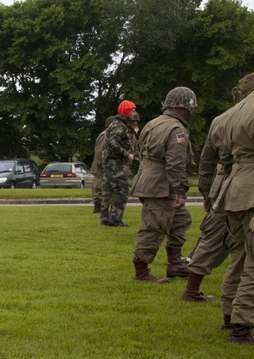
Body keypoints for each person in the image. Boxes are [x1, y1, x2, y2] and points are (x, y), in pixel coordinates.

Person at [183, 74, 254, 307]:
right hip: (239, 184)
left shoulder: (225, 117)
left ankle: (204, 294)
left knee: (230, 247)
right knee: (221, 242)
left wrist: (206, 191)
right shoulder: (236, 116)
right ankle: (195, 290)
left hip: (227, 185)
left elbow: (210, 158)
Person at [129, 87, 196, 282]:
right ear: (185, 108)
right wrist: (180, 191)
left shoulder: (152, 124)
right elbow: (175, 164)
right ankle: (141, 272)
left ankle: (175, 263)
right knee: (153, 227)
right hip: (160, 185)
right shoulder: (176, 130)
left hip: (148, 180)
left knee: (181, 220)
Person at [216, 79, 254, 343]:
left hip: (236, 188)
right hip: (251, 187)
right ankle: (243, 325)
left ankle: (230, 314)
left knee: (239, 255)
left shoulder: (236, 109)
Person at [100, 100, 136, 227]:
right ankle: (115, 219)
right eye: (132, 110)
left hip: (110, 162)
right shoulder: (120, 126)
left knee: (107, 189)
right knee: (122, 189)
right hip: (115, 163)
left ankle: (105, 218)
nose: (134, 113)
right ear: (126, 112)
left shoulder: (116, 124)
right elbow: (113, 142)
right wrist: (127, 155)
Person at [90, 116, 117, 213]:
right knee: (99, 187)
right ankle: (98, 207)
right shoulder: (104, 135)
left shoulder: (111, 135)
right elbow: (99, 153)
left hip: (107, 167)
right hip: (101, 167)